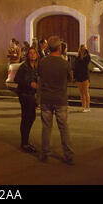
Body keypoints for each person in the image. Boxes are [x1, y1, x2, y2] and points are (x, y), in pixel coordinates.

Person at [38, 35, 74, 165]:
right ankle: (68, 155)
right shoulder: (64, 63)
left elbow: (40, 77)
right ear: (59, 48)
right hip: (60, 99)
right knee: (63, 128)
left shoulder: (43, 62)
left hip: (46, 99)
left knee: (46, 127)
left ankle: (45, 153)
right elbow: (71, 78)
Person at [14, 47, 38, 153]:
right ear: (27, 55)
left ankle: (25, 141)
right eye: (30, 53)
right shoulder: (24, 66)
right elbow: (17, 79)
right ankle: (24, 143)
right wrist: (29, 84)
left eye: (34, 53)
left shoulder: (36, 67)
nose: (32, 55)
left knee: (31, 117)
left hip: (32, 95)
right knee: (26, 117)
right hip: (24, 94)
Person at [73, 45, 91, 112]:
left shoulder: (87, 57)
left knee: (86, 91)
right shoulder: (77, 58)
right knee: (81, 93)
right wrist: (74, 77)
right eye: (81, 49)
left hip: (85, 76)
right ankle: (83, 106)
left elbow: (87, 62)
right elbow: (75, 68)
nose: (82, 50)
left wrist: (86, 51)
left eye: (84, 49)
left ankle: (88, 107)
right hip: (78, 76)